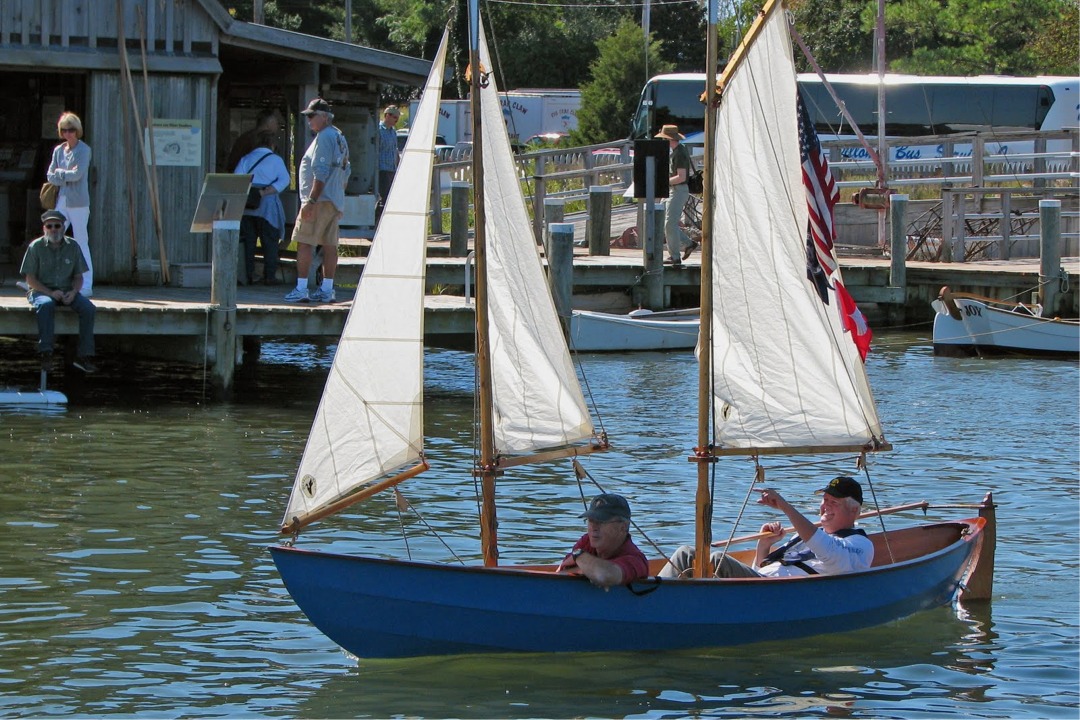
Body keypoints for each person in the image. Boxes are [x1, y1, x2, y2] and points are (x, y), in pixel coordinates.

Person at [658, 476, 874, 579]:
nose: (825, 506)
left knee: (703, 558)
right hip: (762, 586)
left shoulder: (859, 545)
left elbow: (827, 549)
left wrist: (784, 506)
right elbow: (760, 570)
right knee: (687, 555)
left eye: (834, 502)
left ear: (854, 510)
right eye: (824, 500)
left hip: (775, 594)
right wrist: (764, 546)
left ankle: (654, 600)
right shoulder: (805, 537)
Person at [284, 98, 350, 303]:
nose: (309, 120)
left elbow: (319, 172)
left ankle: (302, 288)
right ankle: (327, 289)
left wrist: (310, 201)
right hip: (334, 200)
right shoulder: (340, 136)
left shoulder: (324, 137)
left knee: (304, 243)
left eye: (312, 116)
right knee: (330, 245)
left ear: (324, 117)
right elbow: (347, 169)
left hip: (318, 200)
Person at [21, 209, 97, 373]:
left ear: (63, 227)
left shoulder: (73, 246)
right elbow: (30, 279)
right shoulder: (36, 247)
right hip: (41, 291)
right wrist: (50, 293)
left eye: (57, 226)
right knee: (46, 305)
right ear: (44, 228)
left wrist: (74, 292)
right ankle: (46, 354)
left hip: (67, 291)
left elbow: (78, 277)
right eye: (50, 226)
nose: (53, 229)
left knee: (88, 308)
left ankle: (84, 356)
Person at [556, 493, 650, 588]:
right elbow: (560, 572)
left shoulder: (636, 560)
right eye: (590, 520)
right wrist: (588, 568)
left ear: (623, 527)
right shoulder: (587, 541)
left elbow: (605, 576)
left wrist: (578, 556)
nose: (593, 528)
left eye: (601, 521)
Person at [46, 112, 93, 296]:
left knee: (81, 242)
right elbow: (50, 176)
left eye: (71, 130)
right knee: (50, 238)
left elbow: (78, 174)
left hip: (79, 202)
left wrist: (61, 174)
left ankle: (87, 285)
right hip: (62, 200)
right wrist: (64, 174)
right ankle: (44, 281)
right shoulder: (58, 150)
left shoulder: (84, 150)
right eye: (64, 130)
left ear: (77, 130)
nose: (68, 134)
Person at [234, 131, 290, 285]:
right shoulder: (276, 160)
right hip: (268, 205)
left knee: (248, 242)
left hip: (247, 204)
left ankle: (248, 275)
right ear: (272, 145)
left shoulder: (246, 159)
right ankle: (269, 276)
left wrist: (252, 190)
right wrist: (264, 192)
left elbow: (237, 179)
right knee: (269, 241)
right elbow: (285, 180)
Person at [655, 124, 694, 267]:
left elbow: (681, 177)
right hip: (673, 190)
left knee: (669, 223)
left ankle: (675, 256)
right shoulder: (676, 151)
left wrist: (663, 182)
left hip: (678, 190)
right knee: (667, 223)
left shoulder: (679, 153)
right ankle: (688, 244)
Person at [225, 108, 282, 175]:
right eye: (276, 123)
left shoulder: (245, 138)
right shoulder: (257, 140)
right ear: (269, 123)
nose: (277, 126)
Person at [376, 105, 400, 210]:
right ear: (387, 116)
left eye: (398, 117)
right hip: (382, 169)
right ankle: (379, 219)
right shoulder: (378, 130)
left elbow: (395, 150)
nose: (397, 119)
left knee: (391, 197)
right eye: (395, 117)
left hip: (392, 169)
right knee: (385, 197)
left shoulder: (393, 132)